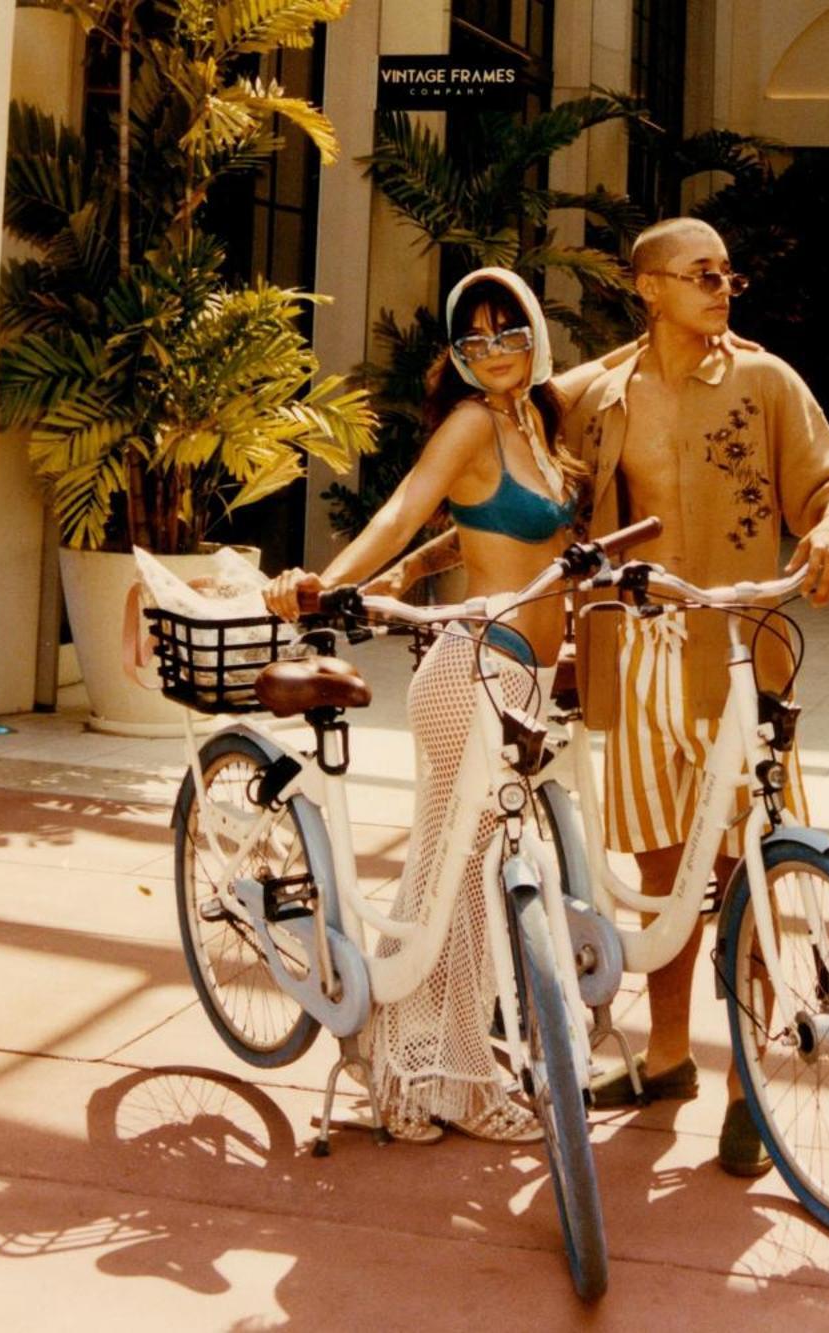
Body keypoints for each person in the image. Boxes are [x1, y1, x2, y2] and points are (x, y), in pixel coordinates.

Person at [262, 267, 592, 1144]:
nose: (492, 351)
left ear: (534, 333)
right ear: (456, 353)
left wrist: (425, 564)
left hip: (518, 679)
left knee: (460, 886)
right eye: (473, 338)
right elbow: (406, 506)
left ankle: (412, 1061)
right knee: (465, 895)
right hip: (470, 675)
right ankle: (440, 1076)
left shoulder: (537, 421)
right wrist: (326, 582)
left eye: (507, 330)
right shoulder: (473, 421)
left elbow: (493, 524)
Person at [568, 216, 829, 1176]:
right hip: (643, 657)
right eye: (701, 273)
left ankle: (744, 1079)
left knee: (751, 871)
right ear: (646, 286)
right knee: (663, 872)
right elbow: (502, 437)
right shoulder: (599, 396)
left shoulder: (765, 381)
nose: (722, 286)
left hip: (740, 658)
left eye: (728, 273)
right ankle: (665, 1060)